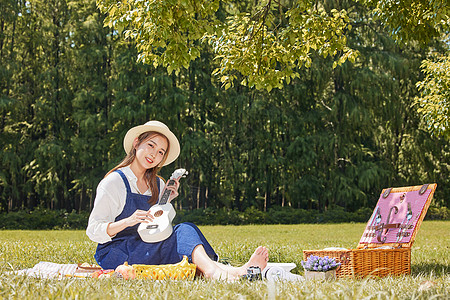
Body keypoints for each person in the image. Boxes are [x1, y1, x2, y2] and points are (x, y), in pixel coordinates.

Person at [86, 120, 269, 280]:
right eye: (150, 145)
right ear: (136, 143)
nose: (154, 155)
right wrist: (128, 221)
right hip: (118, 253)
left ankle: (236, 271)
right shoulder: (114, 182)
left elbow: (153, 227)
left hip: (146, 245)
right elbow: (93, 230)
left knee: (185, 230)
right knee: (183, 233)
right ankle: (219, 272)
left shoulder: (157, 183)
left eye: (160, 152)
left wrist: (165, 202)